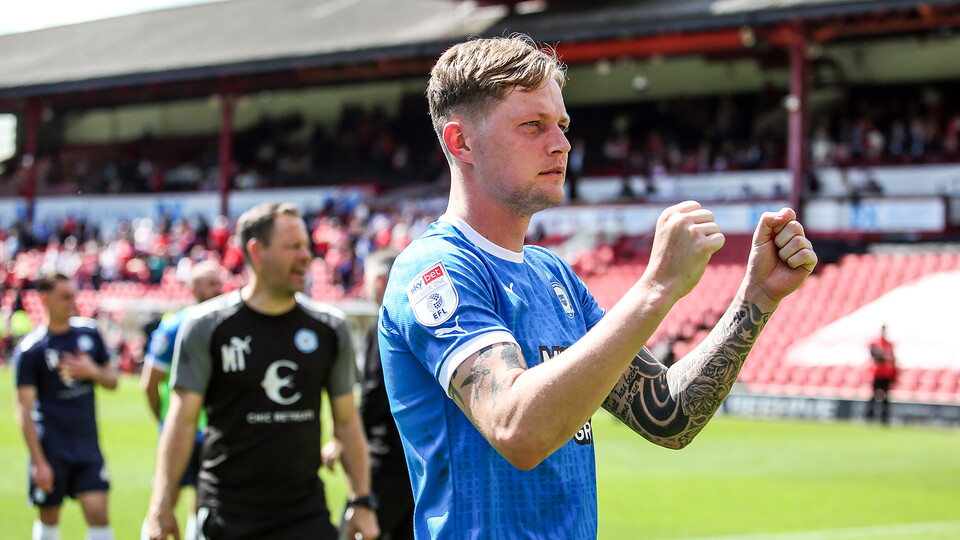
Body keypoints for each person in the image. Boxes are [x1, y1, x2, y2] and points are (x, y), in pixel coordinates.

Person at [378, 35, 818, 538]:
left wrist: (755, 299)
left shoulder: (553, 274)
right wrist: (655, 288)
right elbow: (516, 429)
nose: (561, 143)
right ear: (462, 142)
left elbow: (668, 416)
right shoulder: (435, 268)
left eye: (562, 125)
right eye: (532, 125)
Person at [145, 202, 379, 540]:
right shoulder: (206, 326)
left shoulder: (330, 327)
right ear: (257, 250)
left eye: (307, 246)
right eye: (293, 246)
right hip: (227, 515)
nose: (306, 256)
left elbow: (346, 421)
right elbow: (181, 421)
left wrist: (362, 500)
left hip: (305, 515)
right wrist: (161, 506)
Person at [13, 272, 119, 540]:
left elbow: (113, 380)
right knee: (49, 516)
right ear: (44, 298)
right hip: (51, 448)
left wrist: (91, 371)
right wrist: (38, 462)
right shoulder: (31, 350)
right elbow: (23, 409)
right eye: (65, 297)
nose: (72, 302)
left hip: (87, 445)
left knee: (98, 514)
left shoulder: (89, 333)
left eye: (74, 295)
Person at [323, 248, 414, 540]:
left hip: (384, 460)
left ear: (379, 283)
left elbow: (376, 394)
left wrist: (342, 438)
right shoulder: (420, 322)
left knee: (350, 531)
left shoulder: (386, 323)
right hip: (419, 460)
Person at [139, 261, 225, 540]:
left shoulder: (227, 326)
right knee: (164, 499)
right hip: (180, 432)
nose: (217, 289)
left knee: (206, 504)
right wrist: (165, 422)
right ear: (193, 288)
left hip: (215, 431)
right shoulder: (173, 327)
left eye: (218, 283)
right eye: (210, 283)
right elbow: (150, 384)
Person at [866, 324, 897, 424]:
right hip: (877, 373)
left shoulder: (889, 344)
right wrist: (885, 358)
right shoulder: (876, 342)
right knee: (874, 396)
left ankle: (884, 418)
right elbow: (876, 356)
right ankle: (869, 417)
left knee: (886, 397)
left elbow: (893, 359)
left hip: (887, 373)